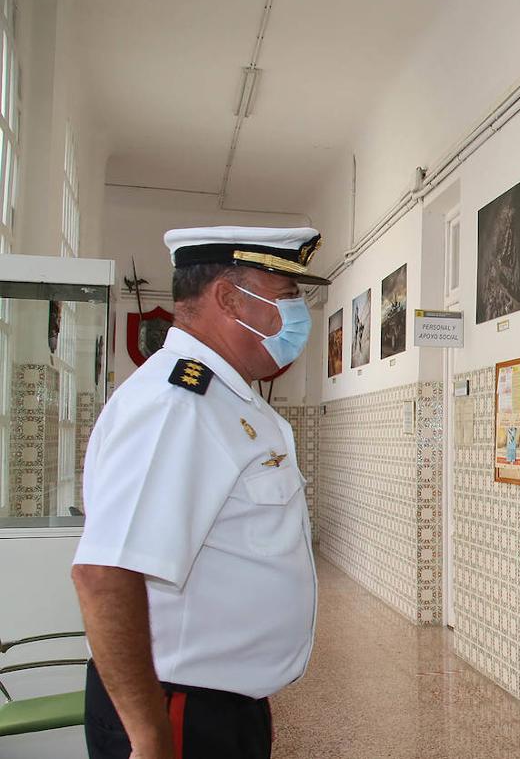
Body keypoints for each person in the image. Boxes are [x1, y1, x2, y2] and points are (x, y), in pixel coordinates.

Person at [72, 226, 331, 759]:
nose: (297, 313)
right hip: (174, 713)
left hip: (215, 705)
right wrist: (151, 737)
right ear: (229, 299)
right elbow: (104, 574)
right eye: (286, 297)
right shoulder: (179, 407)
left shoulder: (226, 399)